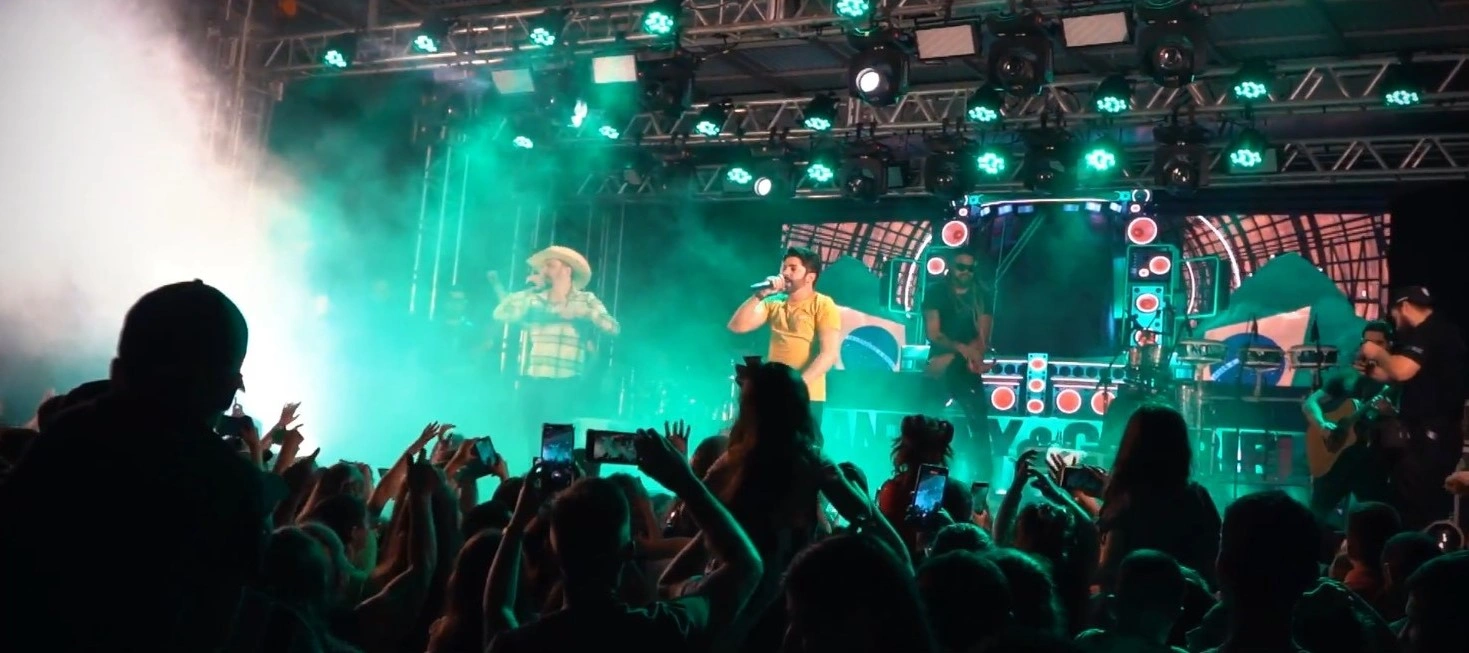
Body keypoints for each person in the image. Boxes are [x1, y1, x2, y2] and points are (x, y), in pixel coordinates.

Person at [0, 280, 280, 652]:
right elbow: (213, 625)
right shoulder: (234, 490)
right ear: (228, 390)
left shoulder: (70, 432)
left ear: (118, 370)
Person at [1357, 285, 1468, 530]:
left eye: (1395, 315)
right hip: (1439, 434)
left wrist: (1376, 351)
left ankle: (1414, 547)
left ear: (1405, 307)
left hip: (1429, 437)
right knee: (1424, 504)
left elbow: (1401, 370)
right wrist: (1373, 372)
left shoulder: (1428, 332)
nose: (1395, 322)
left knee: (1417, 507)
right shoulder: (1444, 332)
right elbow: (1405, 373)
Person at [492, 246, 619, 428]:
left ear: (567, 270)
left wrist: (583, 312)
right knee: (532, 434)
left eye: (550, 266)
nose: (544, 271)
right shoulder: (535, 298)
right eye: (543, 267)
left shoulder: (585, 299)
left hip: (565, 382)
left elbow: (613, 328)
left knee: (556, 437)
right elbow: (502, 314)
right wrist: (529, 290)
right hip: (533, 380)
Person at [727, 246, 841, 424]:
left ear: (810, 277)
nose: (785, 273)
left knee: (799, 442)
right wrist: (759, 296)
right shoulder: (773, 303)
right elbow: (737, 326)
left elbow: (829, 354)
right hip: (772, 393)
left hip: (806, 395)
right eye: (784, 267)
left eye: (793, 269)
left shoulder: (823, 304)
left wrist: (797, 386)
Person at [1302, 321, 1397, 521]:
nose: (1371, 348)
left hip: (1372, 460)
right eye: (1367, 342)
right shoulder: (1348, 375)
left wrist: (1390, 412)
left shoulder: (1397, 378)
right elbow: (1310, 403)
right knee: (1315, 517)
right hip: (1334, 459)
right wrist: (1322, 425)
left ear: (1389, 345)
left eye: (1378, 343)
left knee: (1375, 519)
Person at [922, 249, 995, 481]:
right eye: (961, 267)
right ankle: (923, 473)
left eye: (970, 269)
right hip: (939, 367)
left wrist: (957, 357)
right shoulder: (936, 292)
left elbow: (983, 338)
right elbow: (934, 333)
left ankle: (983, 480)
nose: (966, 272)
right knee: (927, 422)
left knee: (979, 425)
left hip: (961, 367)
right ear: (951, 268)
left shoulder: (982, 296)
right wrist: (962, 350)